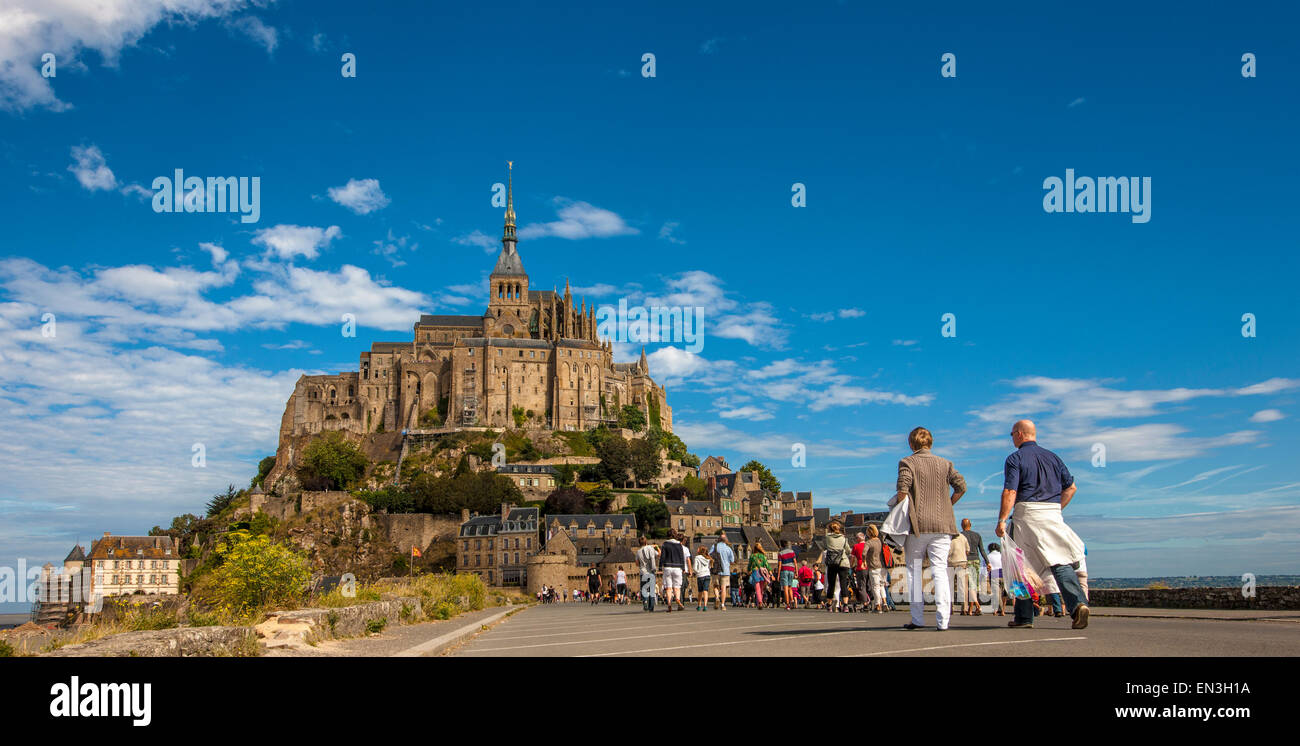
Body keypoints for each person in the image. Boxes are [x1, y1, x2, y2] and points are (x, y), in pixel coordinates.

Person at [997, 419, 1090, 630]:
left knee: (1020, 566)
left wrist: (1002, 519)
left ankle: (1023, 616)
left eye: (1012, 434)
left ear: (1019, 434)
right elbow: (1071, 488)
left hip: (1027, 514)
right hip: (1052, 513)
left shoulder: (1015, 458)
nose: (1012, 438)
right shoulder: (1054, 458)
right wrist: (1056, 508)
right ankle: (1078, 604)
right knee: (1059, 561)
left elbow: (1010, 491)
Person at [892, 426, 967, 631]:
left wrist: (904, 512)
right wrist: (948, 505)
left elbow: (902, 489)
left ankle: (917, 619)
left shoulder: (907, 462)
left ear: (911, 444)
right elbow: (961, 486)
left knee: (914, 571)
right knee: (940, 571)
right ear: (930, 443)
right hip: (943, 525)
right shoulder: (945, 463)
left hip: (917, 525)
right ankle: (943, 621)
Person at [819, 521, 853, 612]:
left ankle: (829, 604)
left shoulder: (827, 537)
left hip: (832, 562)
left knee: (831, 584)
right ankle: (845, 605)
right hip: (843, 561)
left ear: (830, 529)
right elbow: (848, 550)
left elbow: (824, 546)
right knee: (843, 584)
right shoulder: (844, 539)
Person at [960, 518, 989, 616]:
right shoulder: (977, 535)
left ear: (961, 525)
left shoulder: (960, 535)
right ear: (970, 525)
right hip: (976, 560)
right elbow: (982, 550)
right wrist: (987, 562)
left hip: (966, 561)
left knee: (968, 585)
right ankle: (971, 610)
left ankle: (976, 606)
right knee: (973, 585)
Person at [659, 530, 690, 612]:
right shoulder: (679, 545)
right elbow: (681, 557)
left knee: (668, 587)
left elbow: (662, 556)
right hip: (677, 568)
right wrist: (683, 568)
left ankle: (669, 604)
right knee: (677, 587)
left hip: (667, 567)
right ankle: (678, 599)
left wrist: (659, 567)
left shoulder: (665, 544)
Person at [948, 529, 970, 615]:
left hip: (950, 563)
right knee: (963, 586)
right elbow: (968, 550)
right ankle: (964, 608)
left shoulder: (948, 538)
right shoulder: (963, 537)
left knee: (950, 587)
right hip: (962, 563)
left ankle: (950, 608)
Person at [636, 536, 659, 612]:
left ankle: (645, 601)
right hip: (651, 572)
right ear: (646, 542)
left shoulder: (638, 552)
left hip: (643, 572)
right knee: (652, 590)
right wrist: (657, 547)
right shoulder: (650, 549)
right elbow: (659, 554)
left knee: (644, 589)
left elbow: (637, 563)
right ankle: (651, 607)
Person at [712, 535, 735, 610]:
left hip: (716, 570)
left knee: (715, 586)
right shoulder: (728, 548)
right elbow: (732, 560)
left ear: (719, 539)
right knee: (723, 588)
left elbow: (709, 556)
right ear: (725, 540)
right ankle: (722, 605)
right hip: (725, 570)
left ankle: (717, 598)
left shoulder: (714, 546)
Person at [776, 540, 799, 610]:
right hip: (791, 570)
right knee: (790, 587)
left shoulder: (780, 553)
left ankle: (788, 604)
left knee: (785, 588)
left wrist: (778, 575)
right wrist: (796, 571)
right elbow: (795, 562)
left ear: (781, 546)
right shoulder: (792, 552)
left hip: (784, 570)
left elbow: (780, 565)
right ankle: (792, 600)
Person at [852, 532, 871, 608]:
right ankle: (872, 600)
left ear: (859, 538)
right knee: (869, 585)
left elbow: (852, 558)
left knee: (861, 586)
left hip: (861, 567)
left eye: (856, 538)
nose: (856, 539)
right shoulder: (868, 545)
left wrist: (851, 566)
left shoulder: (856, 546)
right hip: (869, 567)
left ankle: (865, 602)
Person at [747, 543, 768, 608]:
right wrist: (770, 572)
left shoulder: (752, 556)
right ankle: (760, 601)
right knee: (761, 589)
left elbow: (749, 565)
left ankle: (760, 602)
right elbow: (766, 564)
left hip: (755, 572)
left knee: (757, 589)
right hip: (762, 572)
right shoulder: (763, 556)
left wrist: (748, 570)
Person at [987, 543, 1006, 616]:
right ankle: (1002, 610)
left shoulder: (988, 556)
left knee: (996, 594)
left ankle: (998, 610)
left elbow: (985, 568)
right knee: (1003, 594)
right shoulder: (1002, 555)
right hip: (1003, 574)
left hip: (994, 574)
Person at [693, 546, 713, 611]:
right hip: (707, 575)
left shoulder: (697, 557)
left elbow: (695, 568)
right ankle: (705, 606)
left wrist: (697, 572)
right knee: (705, 590)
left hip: (700, 575)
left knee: (700, 591)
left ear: (700, 551)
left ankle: (699, 605)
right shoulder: (708, 558)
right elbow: (709, 567)